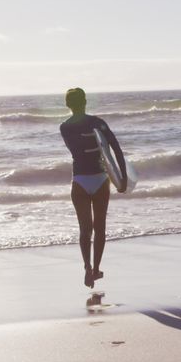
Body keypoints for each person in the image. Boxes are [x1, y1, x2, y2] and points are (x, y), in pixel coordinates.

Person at [60, 87, 127, 288]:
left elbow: (77, 150)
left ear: (67, 104)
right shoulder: (97, 122)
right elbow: (115, 148)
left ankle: (87, 267)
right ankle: (96, 268)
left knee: (84, 230)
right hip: (99, 179)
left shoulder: (64, 127)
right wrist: (121, 177)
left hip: (79, 180)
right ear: (85, 101)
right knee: (100, 228)